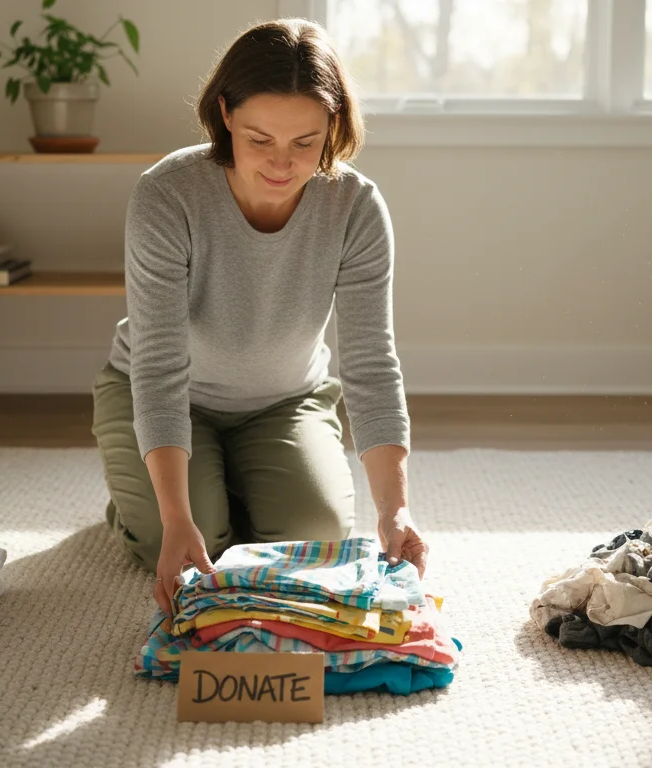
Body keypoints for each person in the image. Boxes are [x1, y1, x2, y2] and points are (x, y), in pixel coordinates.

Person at [91, 18, 427, 614]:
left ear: (333, 126)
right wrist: (174, 518)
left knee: (317, 535)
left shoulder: (356, 207)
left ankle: (228, 487)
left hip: (283, 400)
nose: (281, 163)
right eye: (259, 138)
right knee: (178, 540)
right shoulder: (167, 194)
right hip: (169, 394)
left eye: (305, 142)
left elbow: (372, 364)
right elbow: (160, 365)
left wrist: (393, 510)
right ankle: (150, 500)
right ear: (225, 113)